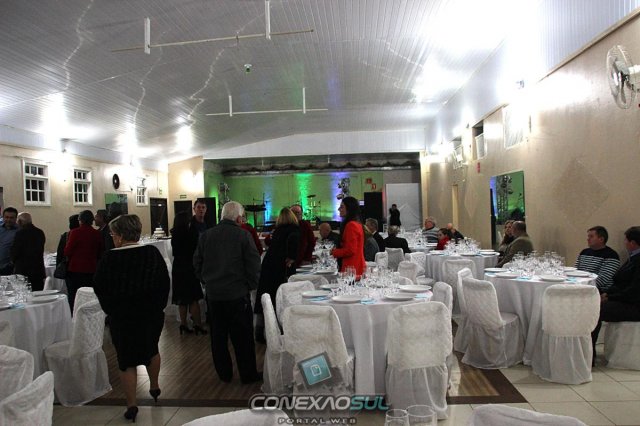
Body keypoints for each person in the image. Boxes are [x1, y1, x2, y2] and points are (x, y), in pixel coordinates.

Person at [93, 215, 169, 422]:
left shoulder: (109, 259)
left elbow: (100, 287)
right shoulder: (152, 253)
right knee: (152, 350)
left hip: (122, 317)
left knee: (126, 360)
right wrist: (158, 307)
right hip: (150, 314)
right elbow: (164, 282)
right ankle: (154, 386)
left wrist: (111, 310)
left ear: (119, 236)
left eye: (112, 234)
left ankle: (131, 405)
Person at [193, 201, 262, 384]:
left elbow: (197, 262)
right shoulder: (243, 235)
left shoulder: (206, 236)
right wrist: (249, 286)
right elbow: (254, 264)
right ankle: (247, 374)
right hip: (237, 294)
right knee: (243, 338)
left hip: (214, 295)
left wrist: (206, 281)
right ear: (238, 218)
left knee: (218, 337)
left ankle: (224, 374)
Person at [591, 226, 640, 361]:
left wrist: (609, 297)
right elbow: (622, 283)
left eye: (626, 240)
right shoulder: (633, 257)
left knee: (594, 310)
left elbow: (634, 291)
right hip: (625, 299)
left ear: (632, 243)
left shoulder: (637, 260)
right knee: (593, 306)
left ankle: (589, 354)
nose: (624, 243)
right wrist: (607, 293)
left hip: (634, 305)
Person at [255, 207, 299, 343]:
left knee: (266, 296)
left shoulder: (277, 230)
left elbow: (269, 242)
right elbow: (294, 244)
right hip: (281, 266)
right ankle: (282, 331)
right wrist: (292, 257)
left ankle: (261, 330)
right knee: (281, 297)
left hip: (269, 263)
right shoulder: (294, 229)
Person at [170, 211, 207, 336]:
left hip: (178, 267)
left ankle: (183, 324)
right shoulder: (191, 233)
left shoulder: (175, 234)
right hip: (189, 267)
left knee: (181, 299)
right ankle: (198, 325)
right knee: (193, 298)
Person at [64, 210, 103, 312]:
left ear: (80, 220)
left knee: (75, 296)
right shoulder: (97, 233)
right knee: (90, 295)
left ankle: (75, 315)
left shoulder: (75, 232)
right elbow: (100, 252)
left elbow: (67, 251)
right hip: (92, 268)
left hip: (76, 269)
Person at [575, 226, 620, 293]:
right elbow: (576, 272)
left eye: (591, 236)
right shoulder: (584, 252)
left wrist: (579, 286)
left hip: (598, 291)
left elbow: (602, 280)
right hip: (581, 287)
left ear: (601, 239)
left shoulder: (611, 255)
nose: (588, 239)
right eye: (588, 236)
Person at [331, 196, 366, 277]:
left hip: (352, 267)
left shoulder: (351, 225)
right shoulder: (357, 223)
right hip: (357, 266)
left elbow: (350, 250)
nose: (339, 209)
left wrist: (333, 252)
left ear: (349, 208)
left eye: (342, 207)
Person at [10, 212, 46, 291]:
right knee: (38, 293)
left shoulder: (20, 233)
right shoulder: (40, 232)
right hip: (38, 270)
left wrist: (12, 261)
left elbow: (15, 251)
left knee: (24, 293)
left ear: (20, 222)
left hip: (23, 270)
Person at [0, 207, 18, 275]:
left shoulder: (20, 231)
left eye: (11, 218)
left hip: (8, 268)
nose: (8, 220)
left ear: (16, 218)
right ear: (3, 217)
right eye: (6, 217)